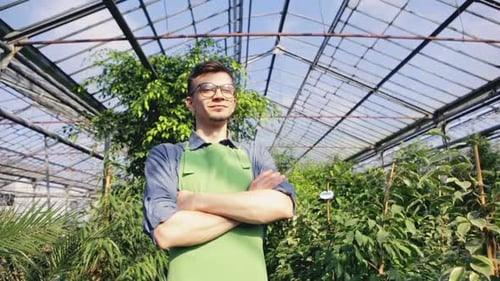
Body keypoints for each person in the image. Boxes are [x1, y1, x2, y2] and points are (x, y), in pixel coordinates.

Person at [142, 60, 296, 281]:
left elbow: (282, 206)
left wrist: (195, 202)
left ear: (234, 100)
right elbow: (167, 233)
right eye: (206, 89)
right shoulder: (167, 155)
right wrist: (251, 204)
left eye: (227, 89)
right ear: (190, 103)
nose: (219, 96)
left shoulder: (255, 154)